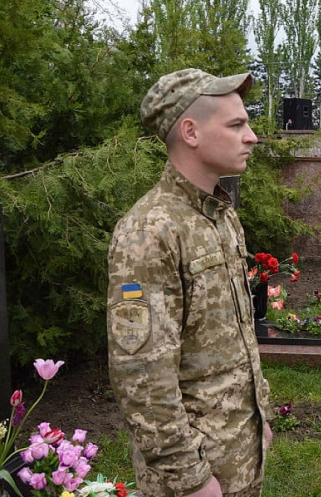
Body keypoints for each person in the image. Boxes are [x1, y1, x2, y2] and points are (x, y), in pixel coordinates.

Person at [107, 68, 273, 497]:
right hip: (194, 477)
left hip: (238, 452)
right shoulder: (149, 231)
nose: (251, 136)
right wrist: (190, 479)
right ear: (191, 132)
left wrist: (261, 418)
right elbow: (141, 376)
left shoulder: (219, 214)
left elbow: (233, 335)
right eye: (236, 125)